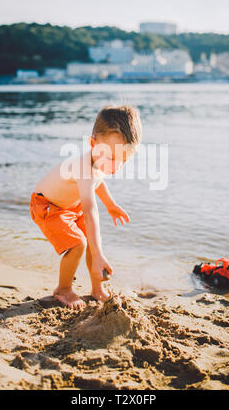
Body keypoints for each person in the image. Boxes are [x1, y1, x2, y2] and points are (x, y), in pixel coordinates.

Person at [29, 104, 142, 309]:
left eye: (123, 160)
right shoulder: (82, 167)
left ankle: (97, 289)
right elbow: (90, 211)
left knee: (93, 240)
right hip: (47, 206)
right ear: (93, 144)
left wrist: (111, 204)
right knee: (79, 243)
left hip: (70, 206)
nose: (116, 166)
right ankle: (63, 289)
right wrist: (98, 255)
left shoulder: (98, 161)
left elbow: (98, 182)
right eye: (112, 158)